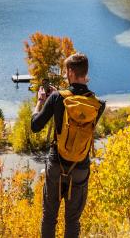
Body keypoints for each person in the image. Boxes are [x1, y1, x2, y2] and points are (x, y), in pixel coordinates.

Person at [31, 53, 106, 238]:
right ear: (85, 72)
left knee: (49, 218)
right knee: (72, 221)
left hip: (56, 164)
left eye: (66, 71)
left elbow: (35, 126)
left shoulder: (58, 98)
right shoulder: (98, 105)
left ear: (71, 72)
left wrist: (41, 101)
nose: (65, 74)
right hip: (80, 167)